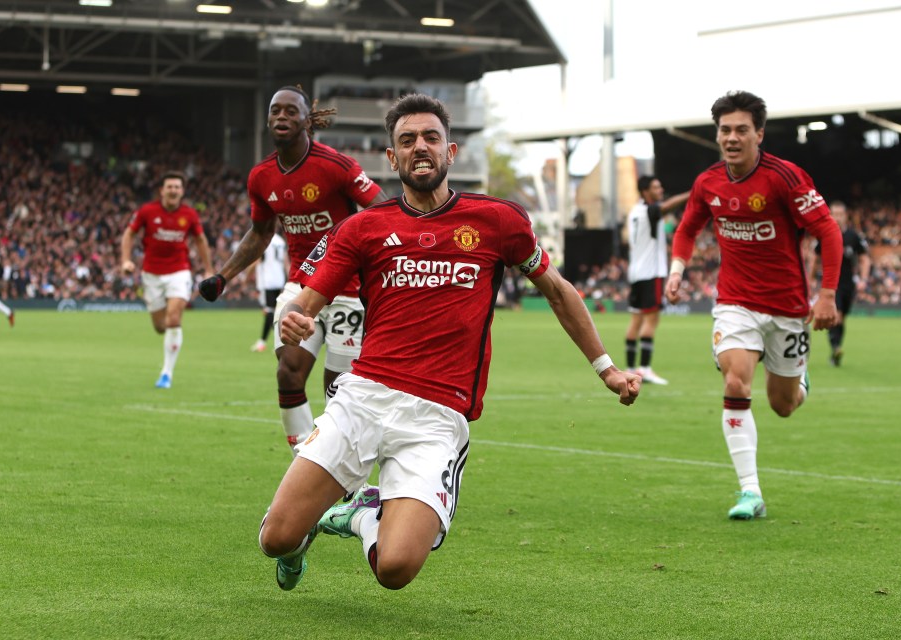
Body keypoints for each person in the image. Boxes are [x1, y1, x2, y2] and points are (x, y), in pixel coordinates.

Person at [255, 93, 640, 592]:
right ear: (392, 159)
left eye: (431, 138)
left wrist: (606, 368)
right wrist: (293, 321)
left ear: (450, 152)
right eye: (407, 140)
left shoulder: (499, 221)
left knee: (394, 570)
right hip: (363, 399)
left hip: (437, 415)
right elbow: (304, 303)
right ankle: (310, 532)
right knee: (275, 539)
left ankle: (359, 516)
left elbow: (560, 293)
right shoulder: (363, 227)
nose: (421, 147)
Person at [665, 90, 843, 520]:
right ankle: (750, 492)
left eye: (741, 129)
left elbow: (829, 232)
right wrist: (676, 269)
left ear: (759, 134)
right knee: (735, 382)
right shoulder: (708, 182)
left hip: (786, 308)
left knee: (783, 405)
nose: (732, 137)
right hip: (735, 302)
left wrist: (827, 294)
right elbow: (687, 229)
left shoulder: (785, 178)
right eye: (725, 129)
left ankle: (799, 383)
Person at [198, 85, 388, 455]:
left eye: (290, 111)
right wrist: (223, 276)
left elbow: (381, 212)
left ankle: (346, 479)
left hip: (349, 291)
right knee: (288, 371)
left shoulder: (336, 166)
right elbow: (261, 232)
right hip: (302, 287)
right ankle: (306, 461)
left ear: (307, 120)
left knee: (340, 391)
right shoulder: (261, 177)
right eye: (275, 111)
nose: (281, 117)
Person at [120, 171, 214, 389]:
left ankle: (166, 374)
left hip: (179, 271)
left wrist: (208, 269)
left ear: (182, 191)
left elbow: (200, 240)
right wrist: (125, 260)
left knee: (173, 319)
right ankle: (168, 345)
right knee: (160, 327)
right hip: (151, 274)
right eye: (169, 187)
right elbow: (129, 234)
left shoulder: (189, 214)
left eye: (177, 187)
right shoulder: (147, 211)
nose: (173, 190)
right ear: (161, 190)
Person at [624, 175, 690, 385]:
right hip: (651, 273)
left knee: (635, 322)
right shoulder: (650, 210)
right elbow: (663, 208)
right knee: (651, 321)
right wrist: (692, 193)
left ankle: (630, 368)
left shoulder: (634, 211)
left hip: (635, 273)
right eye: (656, 187)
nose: (660, 190)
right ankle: (644, 369)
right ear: (645, 191)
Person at [812, 201, 870, 367]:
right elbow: (815, 258)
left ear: (845, 216)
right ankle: (836, 347)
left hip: (848, 285)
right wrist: (811, 278)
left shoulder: (853, 236)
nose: (837, 217)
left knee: (841, 318)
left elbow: (865, 258)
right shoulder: (825, 234)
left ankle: (835, 349)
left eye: (840, 214)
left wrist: (863, 279)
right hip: (830, 284)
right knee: (835, 317)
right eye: (834, 214)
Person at [250, 223, 289, 353]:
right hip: (279, 280)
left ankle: (265, 342)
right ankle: (278, 341)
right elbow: (285, 262)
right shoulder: (280, 242)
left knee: (269, 311)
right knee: (274, 312)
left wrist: (246, 275)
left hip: (268, 281)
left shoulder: (265, 241)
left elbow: (257, 260)